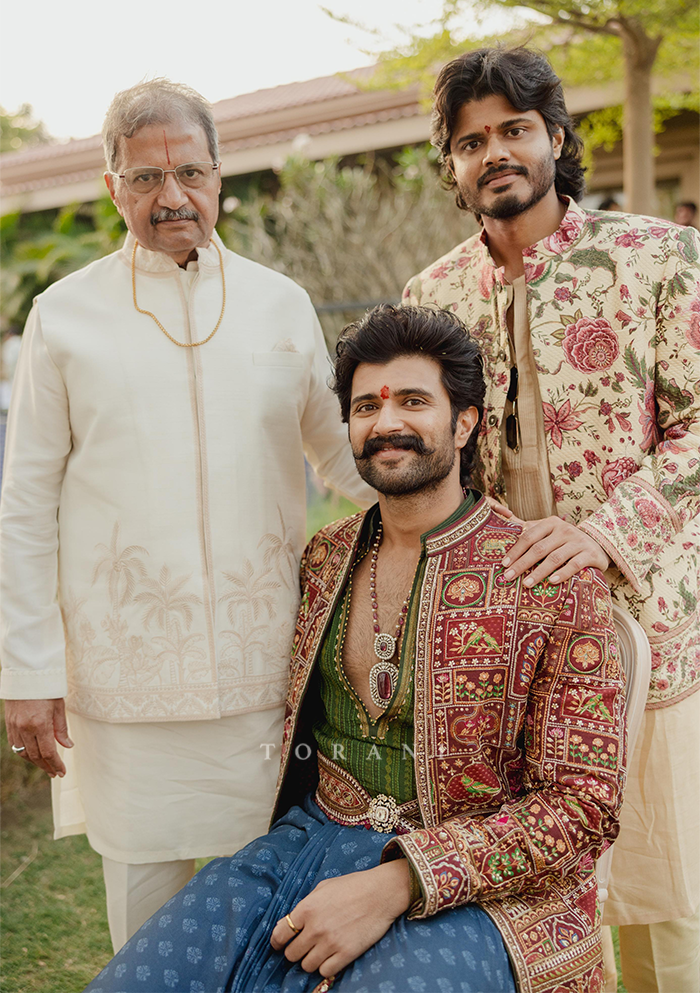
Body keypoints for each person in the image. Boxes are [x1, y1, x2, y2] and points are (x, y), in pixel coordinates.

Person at [83, 304, 626, 993]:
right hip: (309, 838)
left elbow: (583, 805)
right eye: (366, 405)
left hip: (491, 893)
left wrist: (401, 881)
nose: (386, 422)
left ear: (464, 423)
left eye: (413, 401)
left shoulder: (546, 576)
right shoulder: (327, 557)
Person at [0, 78, 371, 952]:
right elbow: (24, 504)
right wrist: (24, 669)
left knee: (266, 908)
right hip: (123, 684)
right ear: (111, 186)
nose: (171, 196)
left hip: (265, 671)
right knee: (147, 922)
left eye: (189, 173)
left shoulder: (280, 304)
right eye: (144, 178)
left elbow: (341, 457)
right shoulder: (64, 317)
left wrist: (462, 518)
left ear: (219, 175)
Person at [403, 45, 700, 993]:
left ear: (556, 139)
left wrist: (603, 534)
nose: (495, 152)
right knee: (533, 898)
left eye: (514, 130)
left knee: (668, 896)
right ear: (451, 166)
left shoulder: (657, 258)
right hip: (508, 638)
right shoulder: (430, 298)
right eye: (470, 140)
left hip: (650, 622)